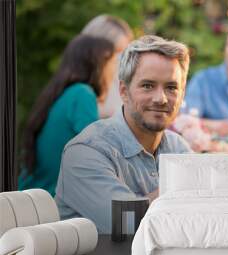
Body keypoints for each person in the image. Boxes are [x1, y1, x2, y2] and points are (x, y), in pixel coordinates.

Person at [55, 35, 192, 233]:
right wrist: (185, 189)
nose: (161, 99)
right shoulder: (85, 152)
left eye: (171, 88)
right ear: (123, 91)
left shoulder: (179, 148)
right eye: (148, 85)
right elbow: (127, 225)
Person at [19, 35, 117, 197]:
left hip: (28, 199)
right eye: (113, 63)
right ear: (98, 64)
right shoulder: (82, 94)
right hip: (47, 205)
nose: (115, 71)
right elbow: (100, 154)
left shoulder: (63, 93)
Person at [81, 14, 133, 118]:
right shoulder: (80, 91)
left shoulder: (121, 82)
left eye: (123, 53)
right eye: (115, 53)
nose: (118, 60)